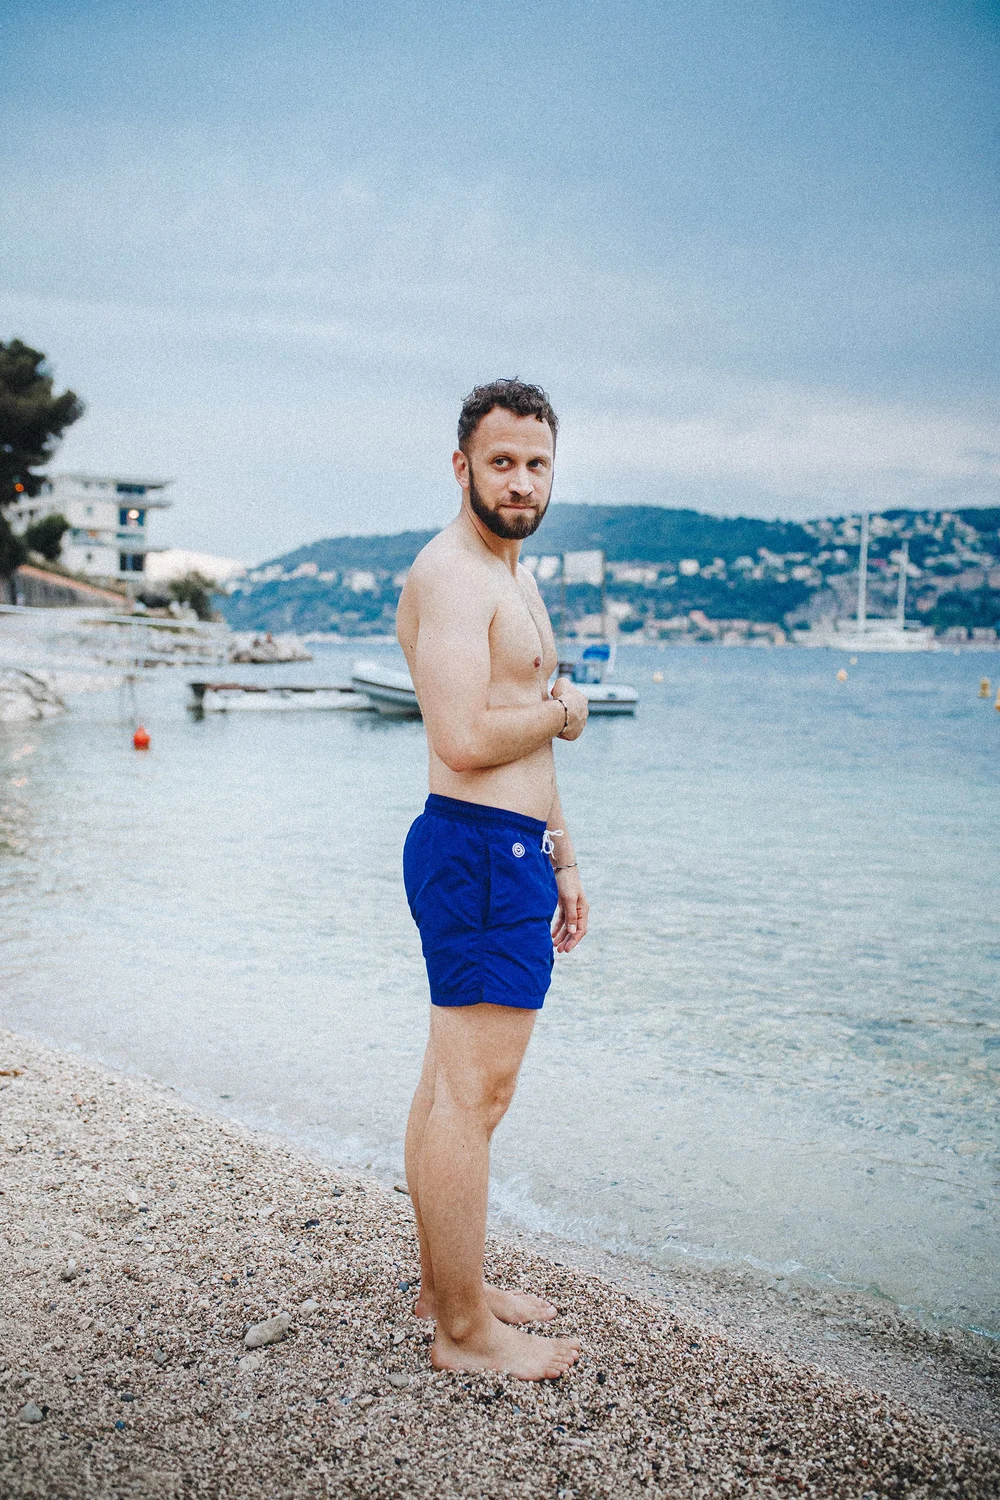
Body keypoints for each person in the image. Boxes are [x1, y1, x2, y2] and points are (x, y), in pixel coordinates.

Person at [396, 378, 590, 1381]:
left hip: (506, 851)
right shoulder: (455, 575)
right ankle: (466, 1333)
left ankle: (448, 1289)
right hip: (475, 852)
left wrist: (565, 855)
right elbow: (465, 739)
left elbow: (523, 737)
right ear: (461, 466)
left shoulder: (512, 575)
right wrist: (564, 714)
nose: (521, 482)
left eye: (537, 464)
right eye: (501, 462)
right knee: (475, 1096)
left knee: (448, 1087)